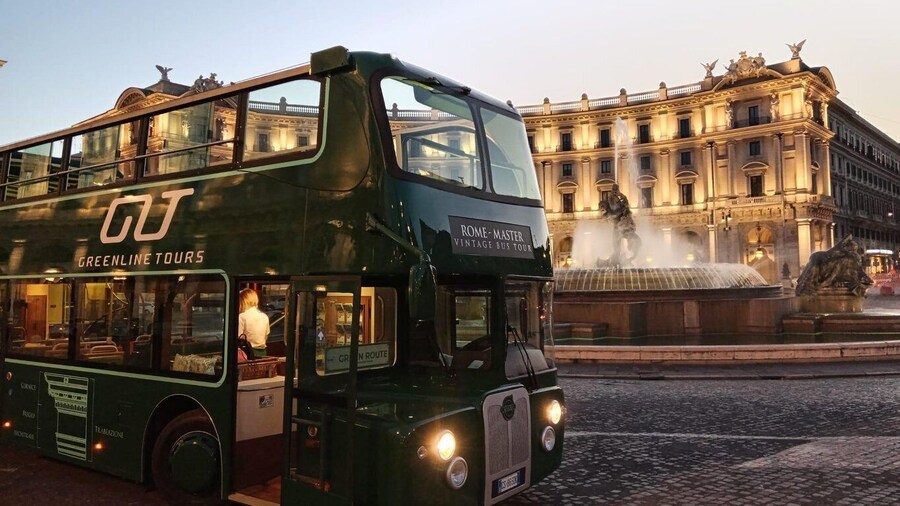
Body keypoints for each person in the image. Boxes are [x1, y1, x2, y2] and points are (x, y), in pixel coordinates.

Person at [238, 288, 270, 357]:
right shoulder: (264, 316)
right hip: (263, 352)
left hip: (247, 353)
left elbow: (239, 338)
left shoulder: (242, 317)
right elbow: (266, 336)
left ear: (243, 301)